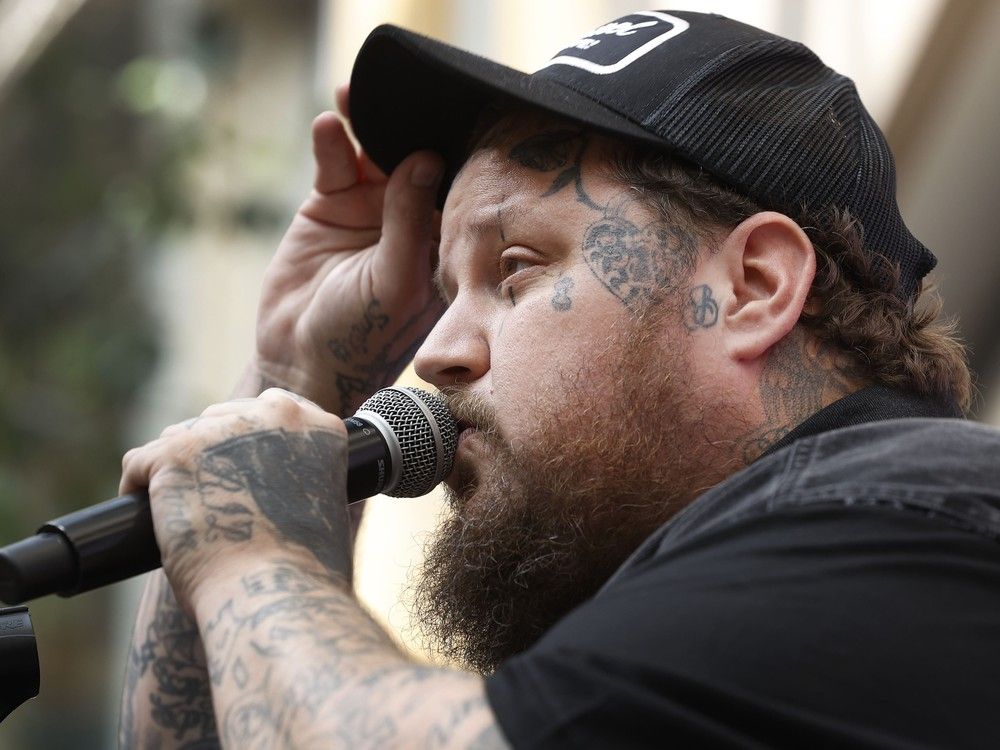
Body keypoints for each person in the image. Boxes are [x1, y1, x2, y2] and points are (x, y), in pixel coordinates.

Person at [117, 10, 1000, 749]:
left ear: (754, 287)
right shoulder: (729, 585)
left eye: (515, 270)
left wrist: (255, 549)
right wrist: (298, 373)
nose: (436, 353)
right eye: (439, 293)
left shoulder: (906, 518)